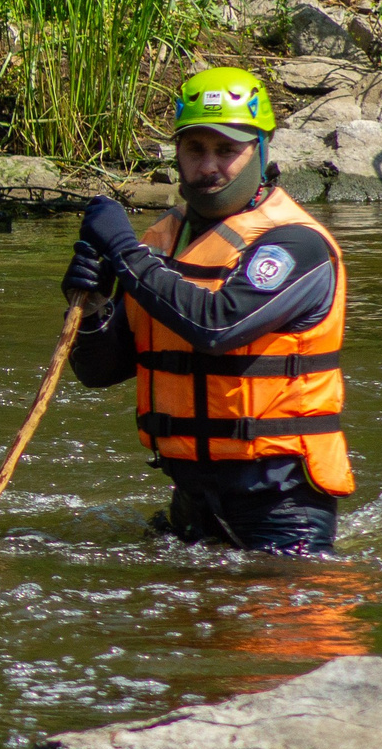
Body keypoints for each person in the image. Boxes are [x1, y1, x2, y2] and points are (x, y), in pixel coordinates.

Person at [65, 68, 351, 556]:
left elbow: (217, 326)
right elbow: (99, 371)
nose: (210, 166)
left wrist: (124, 255)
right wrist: (93, 308)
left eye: (227, 149)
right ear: (177, 154)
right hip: (191, 500)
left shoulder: (295, 243)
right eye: (195, 149)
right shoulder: (163, 239)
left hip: (281, 506)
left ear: (261, 150)